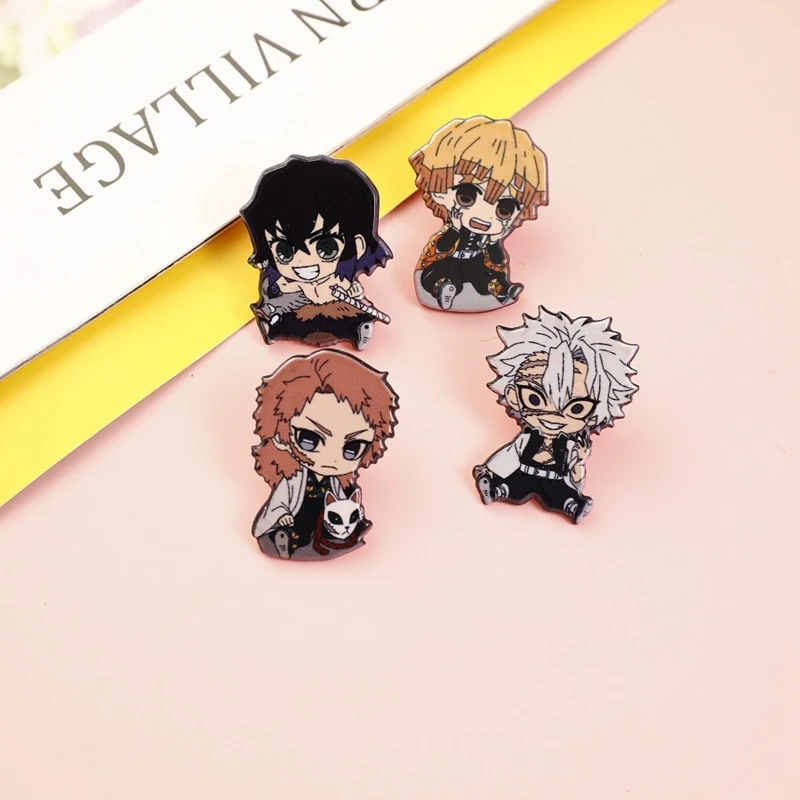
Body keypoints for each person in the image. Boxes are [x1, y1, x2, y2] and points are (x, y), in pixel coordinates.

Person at [474, 308, 638, 523]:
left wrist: (580, 461)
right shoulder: (527, 438)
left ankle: (574, 507)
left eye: (576, 408)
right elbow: (509, 455)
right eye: (535, 399)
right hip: (524, 473)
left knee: (560, 495)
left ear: (594, 415)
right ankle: (496, 490)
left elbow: (575, 476)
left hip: (555, 481)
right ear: (514, 396)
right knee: (514, 485)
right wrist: (488, 470)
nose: (553, 416)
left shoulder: (571, 446)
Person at [251, 350, 399, 560]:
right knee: (295, 531)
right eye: (309, 439)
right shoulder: (293, 479)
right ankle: (281, 539)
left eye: (352, 448)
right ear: (281, 433)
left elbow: (343, 500)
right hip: (297, 516)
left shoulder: (337, 482)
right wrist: (282, 515)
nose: (332, 457)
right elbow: (279, 502)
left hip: (325, 521)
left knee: (331, 530)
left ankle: (336, 538)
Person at [240, 155, 392, 349]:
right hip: (294, 310)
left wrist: (353, 292)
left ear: (358, 245)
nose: (303, 262)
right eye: (285, 252)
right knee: (284, 314)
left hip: (332, 309)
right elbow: (278, 290)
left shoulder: (340, 277)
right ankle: (274, 326)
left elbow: (347, 289)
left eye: (325, 249)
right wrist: (296, 289)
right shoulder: (280, 280)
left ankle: (358, 328)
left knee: (345, 313)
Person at [409, 115, 548, 312]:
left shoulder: (489, 238)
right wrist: (455, 228)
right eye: (467, 196)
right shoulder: (452, 228)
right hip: (449, 261)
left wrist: (494, 241)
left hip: (475, 263)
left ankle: (502, 290)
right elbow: (441, 247)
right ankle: (443, 289)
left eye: (503, 209)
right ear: (439, 191)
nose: (485, 215)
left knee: (487, 278)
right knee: (434, 275)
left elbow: (497, 260)